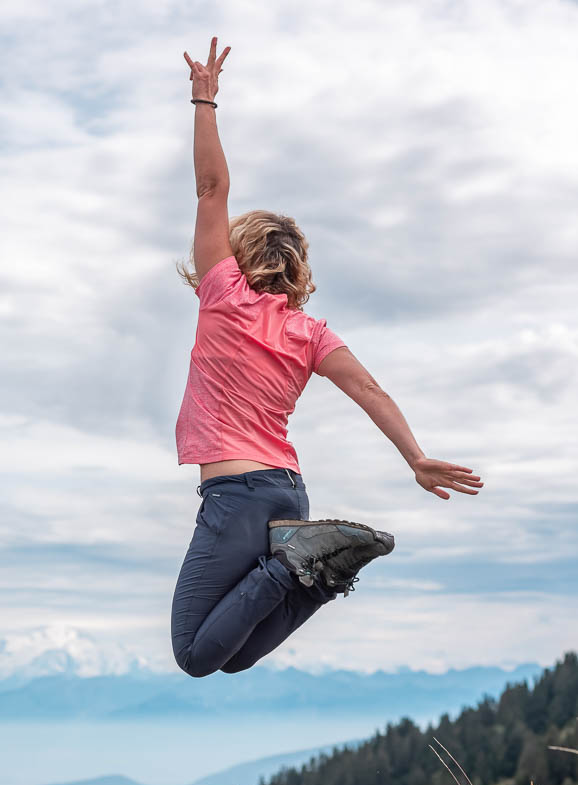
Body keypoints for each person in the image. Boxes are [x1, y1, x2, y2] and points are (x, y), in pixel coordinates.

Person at [171, 38, 484, 680]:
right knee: (231, 658)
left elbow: (210, 188)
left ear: (241, 253)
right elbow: (370, 390)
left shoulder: (222, 294)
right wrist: (415, 457)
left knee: (195, 654)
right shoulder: (309, 332)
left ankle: (295, 565)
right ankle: (319, 570)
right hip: (288, 495)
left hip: (235, 494)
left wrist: (204, 100)